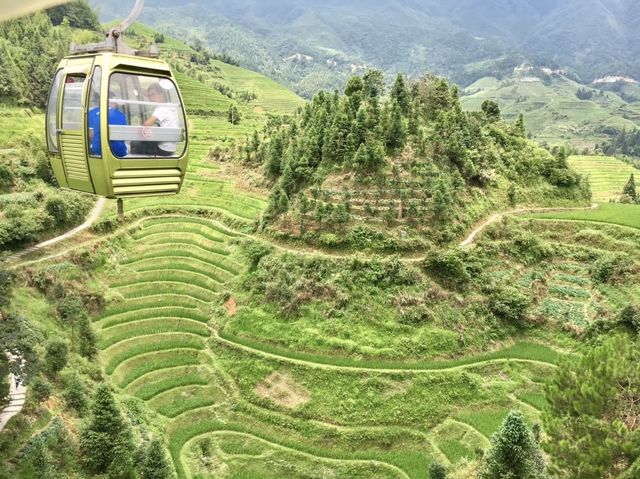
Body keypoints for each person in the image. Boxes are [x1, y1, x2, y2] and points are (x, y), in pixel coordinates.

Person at [141, 82, 179, 156]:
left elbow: (146, 124)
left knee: (136, 145)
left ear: (161, 94)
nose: (151, 98)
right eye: (149, 96)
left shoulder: (162, 108)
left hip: (163, 149)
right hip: (171, 148)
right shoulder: (171, 106)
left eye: (153, 94)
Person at [88, 91, 128, 157]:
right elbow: (123, 136)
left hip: (98, 151)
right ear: (112, 101)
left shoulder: (92, 113)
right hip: (119, 152)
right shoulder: (121, 115)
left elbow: (91, 134)